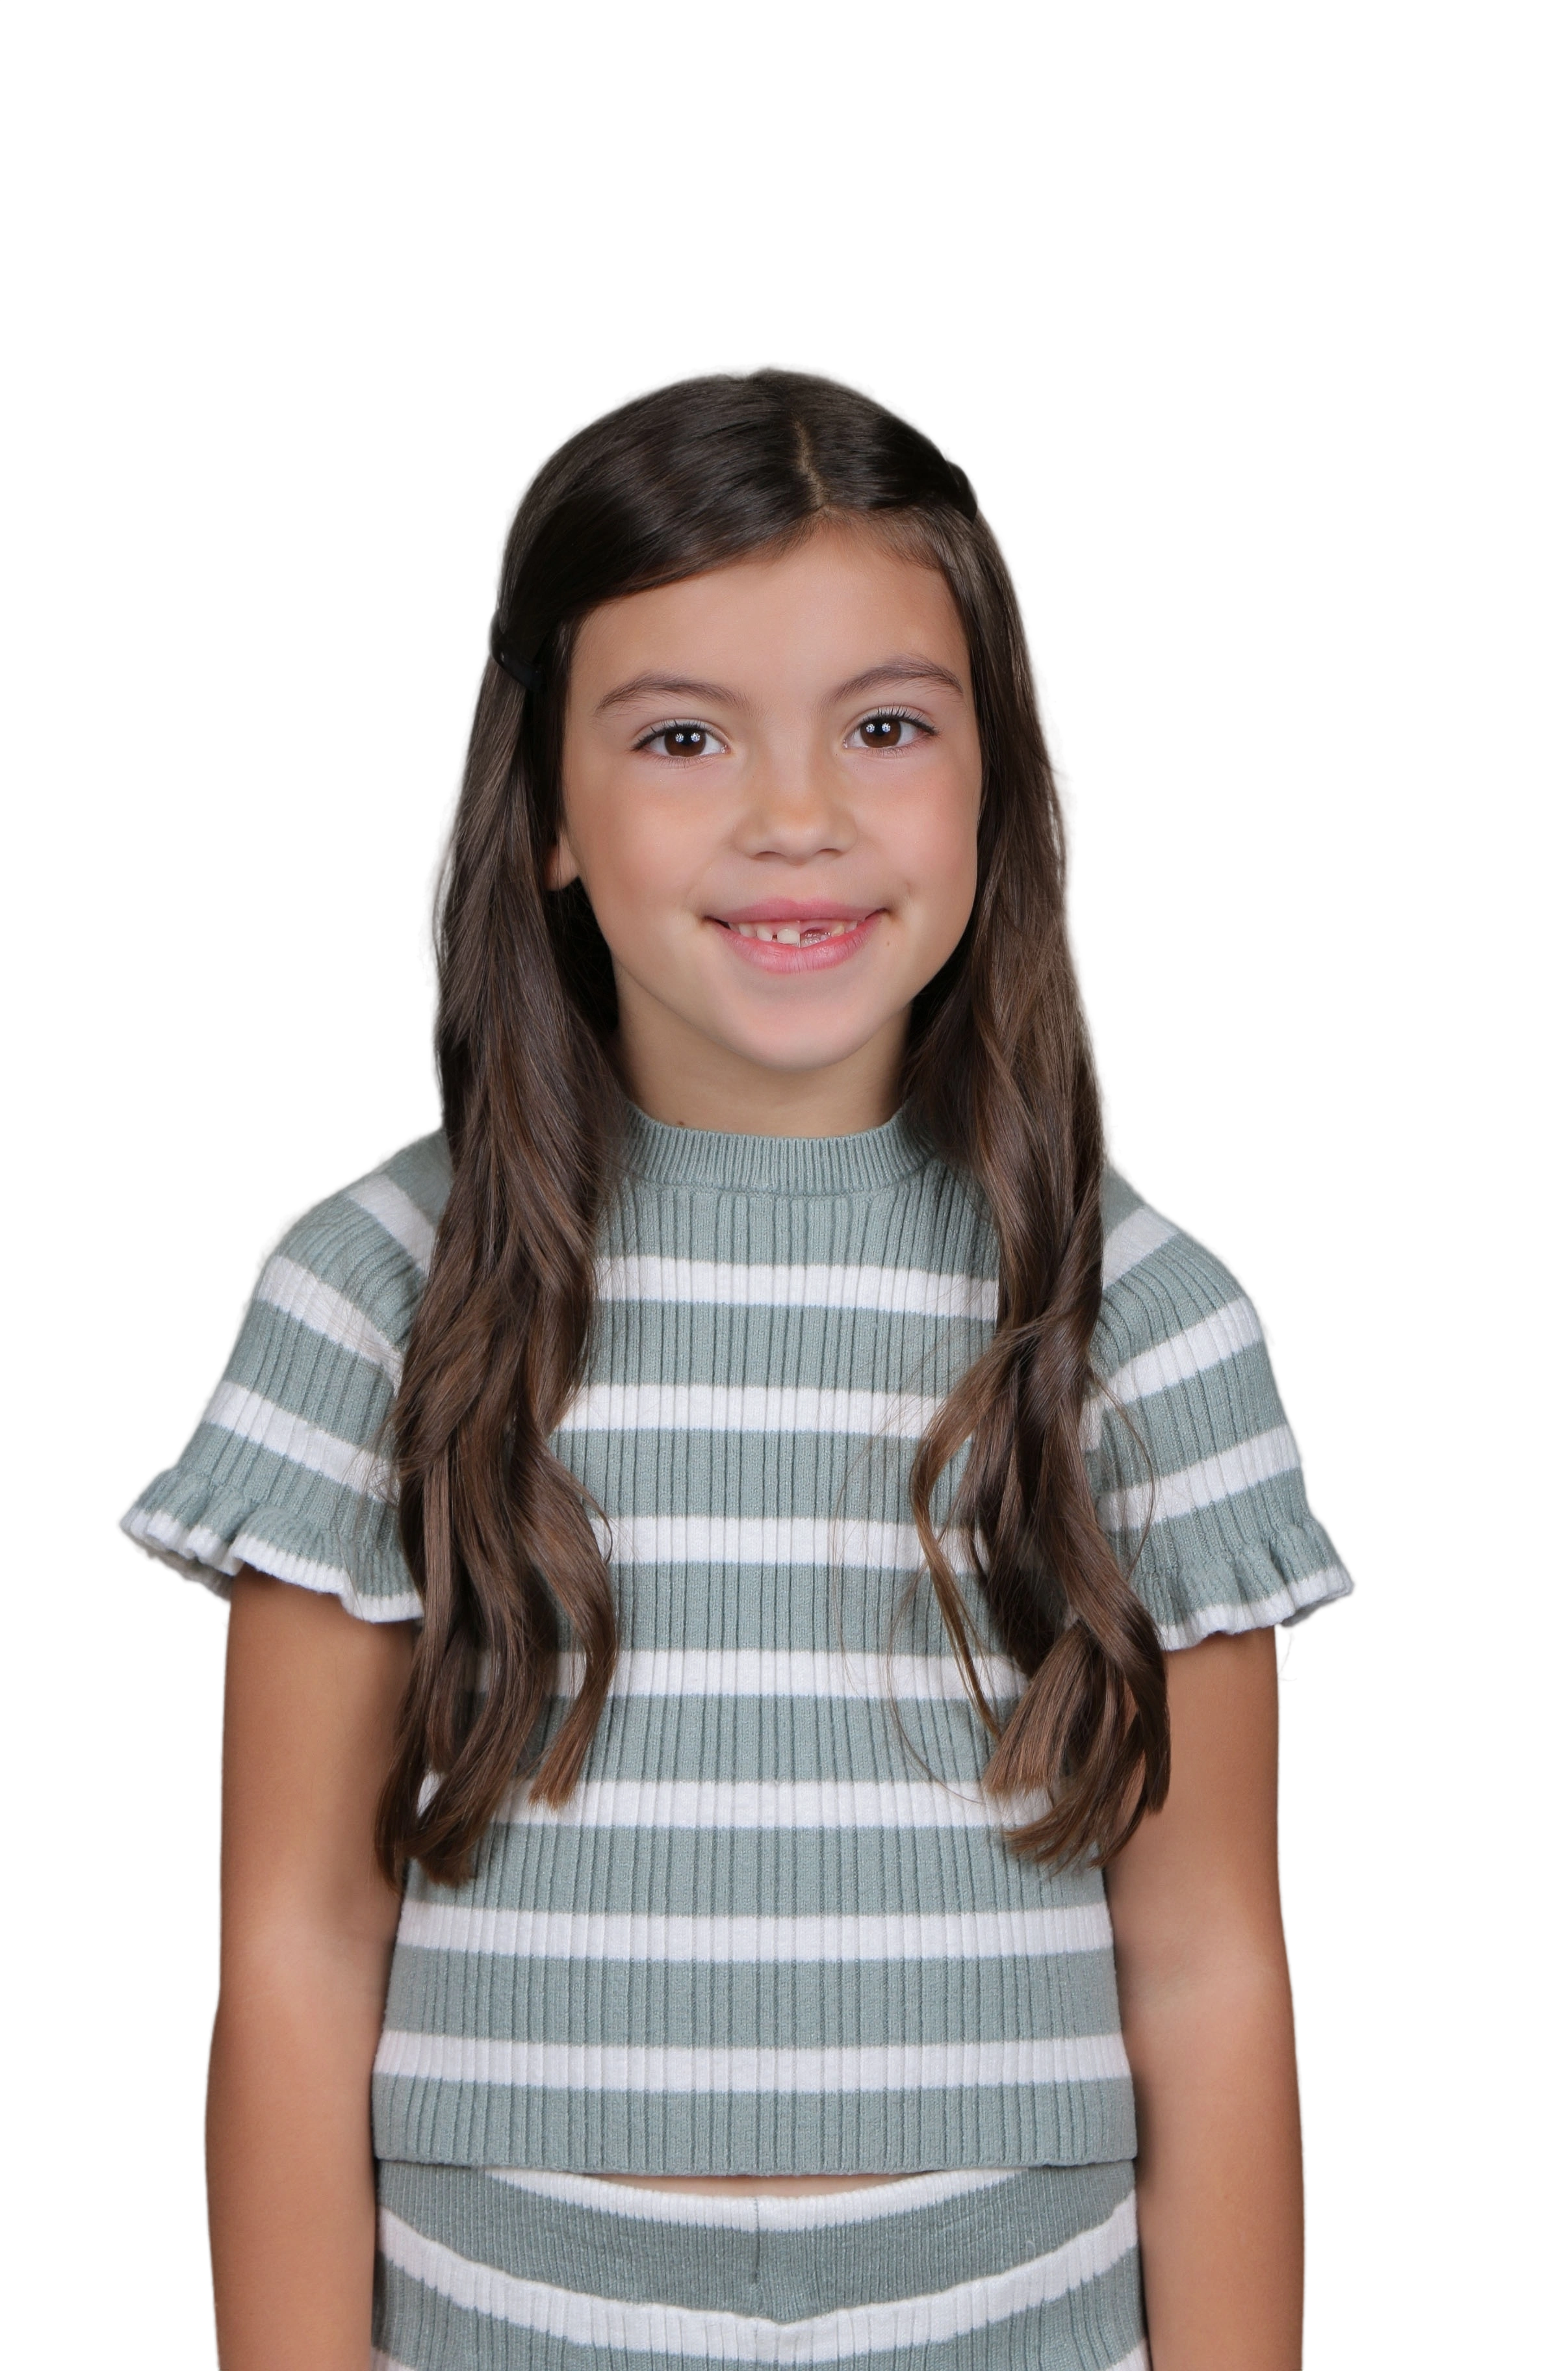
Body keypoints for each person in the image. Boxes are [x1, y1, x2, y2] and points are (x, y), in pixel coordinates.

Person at [115, 359, 1360, 2371]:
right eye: (684, 735)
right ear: (545, 814)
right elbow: (294, 1950)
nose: (798, 818)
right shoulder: (373, 1296)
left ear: (996, 786)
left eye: (886, 726)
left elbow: (1209, 1960)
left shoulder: (1141, 1317)